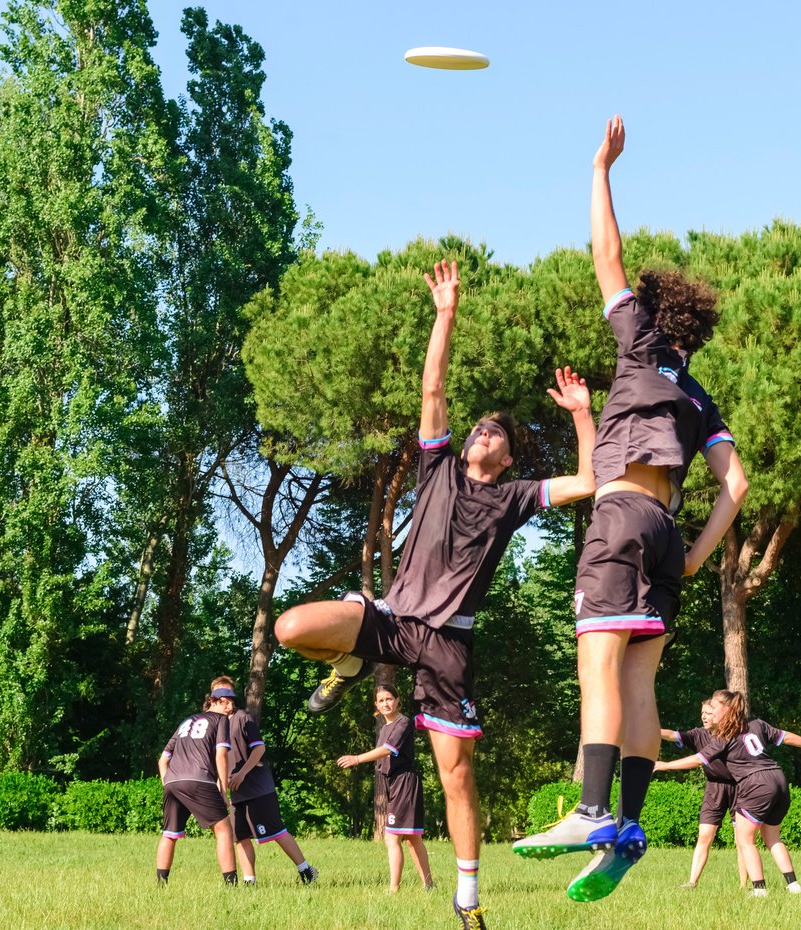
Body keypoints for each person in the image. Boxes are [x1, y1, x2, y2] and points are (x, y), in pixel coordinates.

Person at [275, 259, 597, 930]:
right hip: (393, 620)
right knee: (289, 627)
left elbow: (589, 481)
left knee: (456, 777)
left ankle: (468, 899)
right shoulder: (438, 467)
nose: (484, 432)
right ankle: (351, 660)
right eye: (479, 427)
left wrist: (583, 414)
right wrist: (444, 315)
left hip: (450, 643)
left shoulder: (512, 497)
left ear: (507, 457)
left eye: (497, 433)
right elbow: (431, 390)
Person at [511, 114, 748, 904]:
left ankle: (588, 811)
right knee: (640, 681)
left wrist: (599, 169)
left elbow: (605, 255)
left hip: (617, 518)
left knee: (597, 669)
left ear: (653, 314)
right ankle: (634, 823)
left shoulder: (637, 341)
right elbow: (737, 486)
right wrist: (691, 554)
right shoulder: (697, 391)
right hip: (665, 531)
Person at [655, 689, 801, 896]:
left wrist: (665, 765)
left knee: (745, 840)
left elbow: (698, 760)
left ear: (727, 709)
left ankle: (759, 889)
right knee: (773, 838)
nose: (709, 711)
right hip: (778, 778)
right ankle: (794, 886)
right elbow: (786, 737)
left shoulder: (725, 733)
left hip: (755, 784)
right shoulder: (757, 724)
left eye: (713, 707)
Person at [208, 675, 317, 886]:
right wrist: (221, 785)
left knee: (276, 831)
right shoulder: (215, 725)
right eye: (218, 694)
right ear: (212, 698)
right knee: (239, 837)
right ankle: (250, 881)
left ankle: (306, 871)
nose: (224, 699)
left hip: (258, 788)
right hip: (236, 792)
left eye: (227, 693)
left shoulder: (242, 718)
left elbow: (259, 748)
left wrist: (241, 774)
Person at [338, 684, 435, 892]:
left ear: (397, 700)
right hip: (392, 783)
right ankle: (429, 886)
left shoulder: (403, 723)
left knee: (393, 837)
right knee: (411, 838)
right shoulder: (384, 728)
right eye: (381, 701)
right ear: (376, 704)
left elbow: (386, 750)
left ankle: (394, 889)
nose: (385, 703)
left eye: (389, 699)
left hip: (405, 783)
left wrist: (356, 759)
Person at [659, 700, 748, 888]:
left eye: (708, 712)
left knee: (742, 839)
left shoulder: (734, 733)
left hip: (739, 788)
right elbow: (671, 735)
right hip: (714, 789)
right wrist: (651, 730)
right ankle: (692, 882)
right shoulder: (697, 735)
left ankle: (744, 885)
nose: (704, 716)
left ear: (720, 714)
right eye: (702, 713)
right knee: (705, 835)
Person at [156, 689, 237, 886]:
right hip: (199, 779)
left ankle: (160, 883)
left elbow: (163, 759)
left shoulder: (187, 721)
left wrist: (168, 783)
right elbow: (221, 755)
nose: (230, 707)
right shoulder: (221, 721)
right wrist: (223, 790)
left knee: (170, 833)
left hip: (172, 781)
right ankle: (232, 885)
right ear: (213, 701)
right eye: (226, 702)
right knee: (224, 830)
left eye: (232, 703)